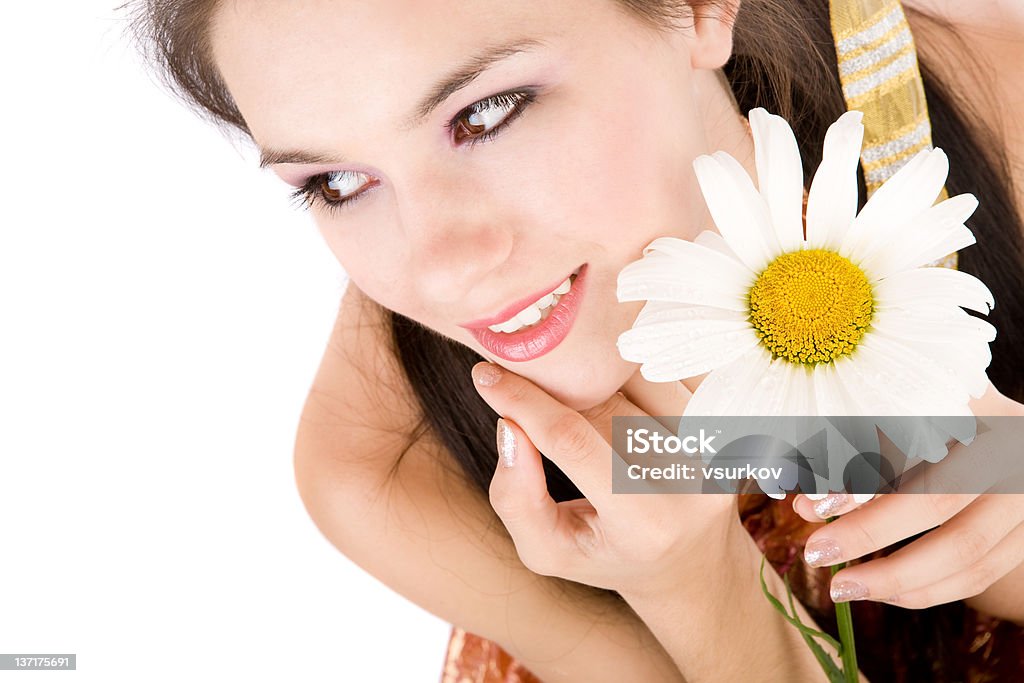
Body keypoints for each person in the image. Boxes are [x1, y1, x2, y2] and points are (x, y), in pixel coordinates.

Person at [130, 0, 1024, 680]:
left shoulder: (979, 116)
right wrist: (692, 582)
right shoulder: (395, 463)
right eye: (337, 181)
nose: (442, 270)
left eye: (489, 113)